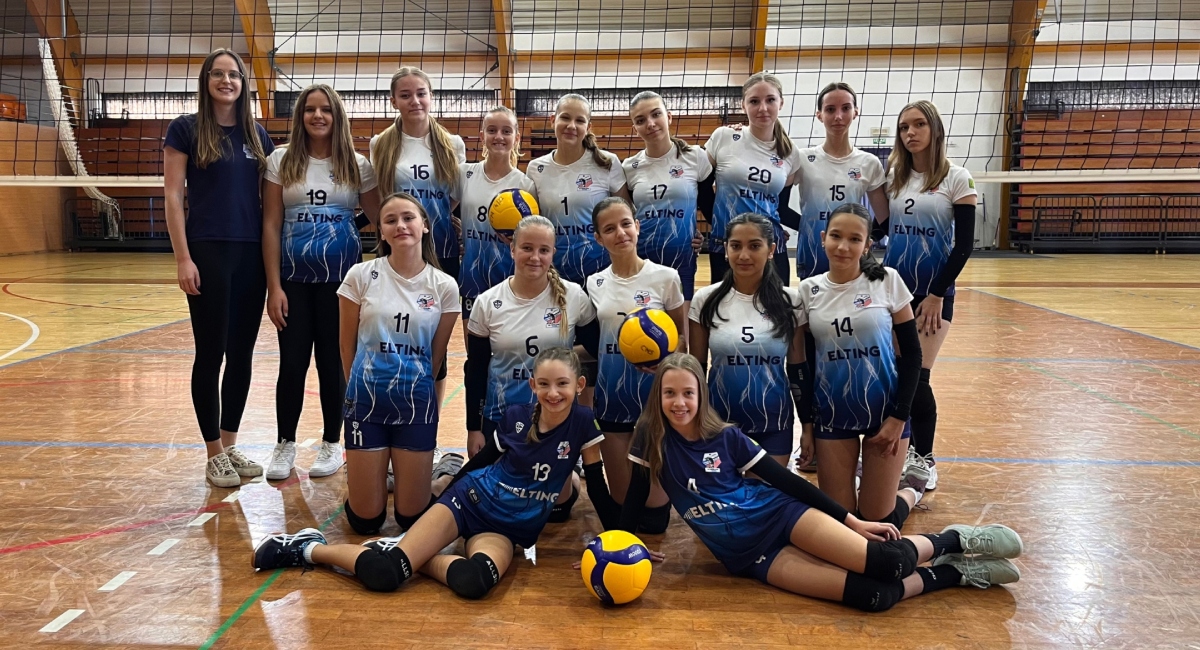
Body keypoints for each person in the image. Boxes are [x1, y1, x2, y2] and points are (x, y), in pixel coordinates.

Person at [593, 353, 1022, 611]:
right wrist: (611, 550)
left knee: (887, 562)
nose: (679, 402)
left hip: (782, 516)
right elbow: (633, 500)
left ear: (700, 395)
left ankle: (955, 540)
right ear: (658, 397)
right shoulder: (650, 438)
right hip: (749, 556)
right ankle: (956, 574)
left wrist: (851, 521)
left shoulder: (725, 437)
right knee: (874, 597)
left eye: (688, 392)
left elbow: (788, 482)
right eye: (669, 393)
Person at [253, 348, 611, 600]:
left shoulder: (583, 424)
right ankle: (308, 548)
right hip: (468, 502)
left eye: (562, 384)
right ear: (533, 385)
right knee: (385, 575)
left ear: (579, 385)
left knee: (474, 582)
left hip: (505, 529)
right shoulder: (517, 417)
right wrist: (442, 498)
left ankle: (408, 552)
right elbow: (480, 463)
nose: (553, 393)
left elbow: (596, 486)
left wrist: (614, 541)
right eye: (544, 384)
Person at [163, 48, 273, 487]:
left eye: (234, 75)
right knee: (210, 353)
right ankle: (212, 453)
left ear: (243, 83)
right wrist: (183, 257)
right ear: (206, 81)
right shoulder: (185, 129)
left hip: (251, 254)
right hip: (207, 250)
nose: (227, 81)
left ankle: (230, 445)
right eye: (218, 74)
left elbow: (268, 202)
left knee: (242, 355)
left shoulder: (257, 134)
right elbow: (173, 196)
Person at [261, 84, 381, 481]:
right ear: (300, 116)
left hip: (342, 284)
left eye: (325, 109)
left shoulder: (356, 164)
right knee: (292, 362)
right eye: (310, 109)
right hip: (293, 280)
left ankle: (333, 442)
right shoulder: (281, 160)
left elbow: (381, 218)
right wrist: (274, 287)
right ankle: (285, 443)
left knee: (334, 362)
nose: (317, 116)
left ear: (337, 116)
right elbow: (271, 224)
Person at [795, 203, 929, 529]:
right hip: (833, 413)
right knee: (842, 524)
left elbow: (913, 355)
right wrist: (807, 426)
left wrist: (899, 417)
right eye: (836, 236)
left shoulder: (887, 281)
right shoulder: (808, 291)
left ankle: (910, 491)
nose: (843, 246)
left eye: (855, 239)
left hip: (885, 413)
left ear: (867, 245)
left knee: (877, 521)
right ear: (823, 238)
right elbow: (802, 365)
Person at [336, 193, 461, 535]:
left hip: (415, 403)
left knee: (410, 519)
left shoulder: (444, 286)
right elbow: (346, 345)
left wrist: (417, 395)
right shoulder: (360, 275)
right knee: (365, 521)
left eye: (408, 218)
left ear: (425, 226)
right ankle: (369, 479)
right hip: (366, 400)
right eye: (390, 220)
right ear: (382, 231)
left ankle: (442, 475)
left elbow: (436, 357)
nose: (400, 225)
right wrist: (358, 393)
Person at [464, 215, 599, 519]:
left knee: (556, 511)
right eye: (527, 248)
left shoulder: (573, 296)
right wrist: (474, 428)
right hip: (502, 415)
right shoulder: (488, 302)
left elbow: (595, 349)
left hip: (554, 415)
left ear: (552, 253)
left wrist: (560, 361)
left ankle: (570, 475)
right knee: (496, 505)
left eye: (544, 250)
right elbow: (476, 370)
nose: (535, 257)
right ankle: (448, 470)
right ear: (512, 249)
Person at [881, 100, 978, 491]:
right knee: (892, 375)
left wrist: (937, 294)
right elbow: (878, 229)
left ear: (935, 129)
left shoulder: (957, 178)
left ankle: (924, 457)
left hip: (931, 295)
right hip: (892, 292)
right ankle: (896, 451)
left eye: (919, 124)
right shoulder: (893, 176)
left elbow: (964, 245)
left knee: (917, 376)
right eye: (904, 127)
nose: (911, 133)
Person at [584, 196, 684, 532]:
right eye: (609, 228)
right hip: (612, 398)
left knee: (654, 518)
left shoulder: (666, 277)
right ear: (599, 238)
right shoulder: (595, 283)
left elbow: (680, 340)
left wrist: (665, 362)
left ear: (637, 227)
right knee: (622, 503)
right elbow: (594, 342)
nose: (620, 233)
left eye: (626, 224)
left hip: (653, 398)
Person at [370, 67, 467, 405]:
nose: (415, 101)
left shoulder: (451, 143)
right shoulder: (381, 144)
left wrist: (432, 219)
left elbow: (453, 197)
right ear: (393, 101)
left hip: (442, 252)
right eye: (406, 95)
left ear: (431, 96)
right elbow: (383, 198)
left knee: (435, 342)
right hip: (399, 257)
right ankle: (396, 408)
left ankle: (430, 421)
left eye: (421, 93)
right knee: (398, 336)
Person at [690, 213, 803, 465]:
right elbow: (696, 369)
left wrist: (807, 427)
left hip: (773, 422)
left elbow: (798, 371)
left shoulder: (791, 301)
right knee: (723, 492)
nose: (743, 255)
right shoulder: (705, 300)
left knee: (765, 491)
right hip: (718, 423)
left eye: (754, 246)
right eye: (736, 246)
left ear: (771, 250)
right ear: (726, 249)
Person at [700, 73, 802, 286]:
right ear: (743, 105)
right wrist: (716, 223)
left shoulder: (790, 153)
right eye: (754, 101)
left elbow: (781, 209)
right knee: (724, 306)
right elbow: (701, 188)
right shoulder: (724, 137)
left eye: (770, 100)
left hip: (770, 244)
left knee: (776, 305)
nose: (763, 108)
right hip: (727, 243)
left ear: (781, 103)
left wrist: (819, 229)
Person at [782, 82, 889, 281]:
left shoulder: (869, 163)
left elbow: (884, 218)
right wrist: (807, 228)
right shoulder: (802, 158)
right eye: (830, 109)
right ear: (819, 115)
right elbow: (779, 206)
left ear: (855, 112)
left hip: (851, 256)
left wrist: (867, 238)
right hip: (812, 253)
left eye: (845, 108)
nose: (838, 116)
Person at [623, 91, 712, 324]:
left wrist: (704, 236)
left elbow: (709, 206)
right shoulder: (629, 167)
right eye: (641, 120)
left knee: (682, 336)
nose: (650, 124)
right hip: (642, 261)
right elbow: (627, 216)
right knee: (646, 332)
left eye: (656, 115)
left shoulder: (695, 157)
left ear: (669, 117)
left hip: (682, 261)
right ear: (635, 128)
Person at [527, 93, 631, 286]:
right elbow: (534, 223)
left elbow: (627, 218)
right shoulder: (536, 168)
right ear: (553, 120)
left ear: (588, 127)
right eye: (565, 118)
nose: (571, 126)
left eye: (580, 120)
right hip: (555, 273)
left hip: (602, 272)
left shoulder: (607, 163)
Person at [454, 106, 537, 334]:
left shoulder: (525, 185)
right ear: (482, 136)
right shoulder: (465, 174)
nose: (499, 136)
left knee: (508, 345)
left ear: (516, 138)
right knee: (475, 350)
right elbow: (444, 209)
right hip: (473, 275)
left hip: (510, 278)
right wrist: (454, 230)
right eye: (492, 130)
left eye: (506, 131)